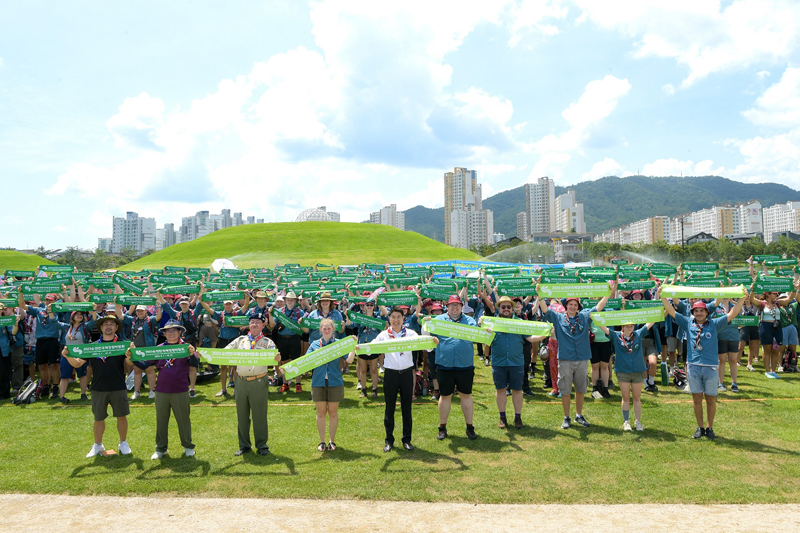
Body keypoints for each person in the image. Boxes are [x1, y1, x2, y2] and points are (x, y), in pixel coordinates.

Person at [661, 288, 747, 439]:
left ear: (707, 313)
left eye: (702, 311)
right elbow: (672, 311)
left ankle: (710, 427)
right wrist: (663, 295)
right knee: (696, 399)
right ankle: (700, 427)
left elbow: (732, 313)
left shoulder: (714, 324)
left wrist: (742, 299)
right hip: (693, 367)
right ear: (693, 313)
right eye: (696, 311)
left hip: (711, 367)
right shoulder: (688, 322)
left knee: (711, 399)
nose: (699, 313)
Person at [539, 288, 611, 429]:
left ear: (578, 307)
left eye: (575, 305)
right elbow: (546, 310)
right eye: (570, 304)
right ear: (566, 306)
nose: (572, 307)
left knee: (581, 388)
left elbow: (599, 307)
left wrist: (608, 293)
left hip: (582, 359)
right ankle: (567, 417)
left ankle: (579, 415)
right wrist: (540, 295)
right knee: (565, 389)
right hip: (565, 359)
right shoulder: (559, 317)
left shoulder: (584, 316)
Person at [62, 314, 133, 457]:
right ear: (101, 328)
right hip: (98, 387)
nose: (108, 326)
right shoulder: (92, 347)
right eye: (105, 324)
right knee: (98, 418)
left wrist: (131, 355)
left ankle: (123, 443)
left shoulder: (122, 345)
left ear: (116, 327)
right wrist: (67, 356)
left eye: (111, 324)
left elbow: (131, 364)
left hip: (118, 386)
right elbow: (77, 363)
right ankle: (98, 445)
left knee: (121, 416)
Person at [370, 306, 435, 452]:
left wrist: (431, 339)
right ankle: (389, 440)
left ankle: (407, 440)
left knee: (407, 408)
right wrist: (362, 347)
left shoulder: (411, 333)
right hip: (391, 374)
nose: (396, 320)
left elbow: (426, 346)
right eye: (393, 317)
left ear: (403, 319)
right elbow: (372, 347)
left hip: (406, 374)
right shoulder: (384, 335)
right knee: (390, 408)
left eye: (398, 317)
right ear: (389, 319)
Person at [479, 296, 546, 429]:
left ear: (512, 308)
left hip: (516, 362)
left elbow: (530, 338)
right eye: (503, 307)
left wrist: (545, 333)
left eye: (508, 307)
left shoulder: (519, 322)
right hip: (499, 362)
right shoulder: (492, 322)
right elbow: (482, 338)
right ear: (499, 308)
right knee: (501, 390)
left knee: (517, 390)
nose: (506, 309)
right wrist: (482, 325)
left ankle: (518, 417)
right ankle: (502, 417)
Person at [227, 312, 281, 456]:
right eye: (252, 322)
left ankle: (262, 445)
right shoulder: (240, 340)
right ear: (249, 325)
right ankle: (244, 445)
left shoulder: (268, 342)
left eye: (258, 322)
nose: (254, 324)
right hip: (241, 381)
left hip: (259, 381)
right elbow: (224, 353)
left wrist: (277, 358)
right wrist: (206, 355)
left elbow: (274, 357)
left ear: (263, 325)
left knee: (259, 415)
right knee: (242, 415)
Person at [429, 295, 480, 441]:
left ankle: (470, 427)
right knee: (445, 396)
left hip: (465, 365)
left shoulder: (470, 321)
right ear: (447, 307)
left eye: (457, 305)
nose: (454, 307)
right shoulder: (438, 321)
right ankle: (442, 428)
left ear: (461, 306)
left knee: (466, 395)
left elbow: (478, 337)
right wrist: (426, 323)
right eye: (452, 305)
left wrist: (486, 330)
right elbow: (428, 336)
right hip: (445, 365)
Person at [150, 319, 197, 459]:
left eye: (174, 330)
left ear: (179, 332)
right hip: (162, 390)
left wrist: (191, 354)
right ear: (164, 333)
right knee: (161, 420)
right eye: (168, 331)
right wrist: (132, 357)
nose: (171, 333)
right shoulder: (159, 348)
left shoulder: (186, 347)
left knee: (183, 420)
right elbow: (143, 364)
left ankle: (188, 446)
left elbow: (195, 364)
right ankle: (161, 448)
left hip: (180, 389)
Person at [599, 321, 656, 431]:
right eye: (627, 326)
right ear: (623, 327)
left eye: (631, 326)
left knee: (636, 398)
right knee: (625, 398)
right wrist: (595, 318)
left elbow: (650, 323)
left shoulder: (638, 334)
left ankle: (638, 422)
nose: (630, 328)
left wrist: (661, 311)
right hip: (623, 371)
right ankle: (626, 421)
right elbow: (604, 328)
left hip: (638, 371)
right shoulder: (616, 336)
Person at [309, 318, 356, 451]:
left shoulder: (339, 344)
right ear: (320, 330)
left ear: (333, 329)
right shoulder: (314, 345)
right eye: (324, 328)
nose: (327, 330)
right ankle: (322, 441)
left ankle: (332, 441)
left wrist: (353, 347)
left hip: (335, 381)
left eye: (329, 328)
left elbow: (350, 360)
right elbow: (305, 362)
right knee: (321, 413)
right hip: (318, 382)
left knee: (333, 412)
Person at [19, 292, 63, 399]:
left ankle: (55, 387)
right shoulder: (39, 310)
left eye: (51, 300)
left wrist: (63, 292)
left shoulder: (58, 310)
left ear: (55, 302)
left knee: (54, 365)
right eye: (47, 300)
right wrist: (21, 292)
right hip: (40, 341)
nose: (48, 302)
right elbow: (22, 305)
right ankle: (45, 386)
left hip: (52, 340)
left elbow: (67, 301)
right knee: (42, 365)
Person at [749, 287, 796, 378]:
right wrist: (753, 289)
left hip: (777, 327)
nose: (777, 295)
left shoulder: (777, 303)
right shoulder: (762, 303)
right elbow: (752, 299)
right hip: (765, 327)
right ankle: (767, 371)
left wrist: (794, 289)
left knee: (776, 350)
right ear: (768, 294)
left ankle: (773, 371)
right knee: (767, 350)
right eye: (774, 293)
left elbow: (789, 299)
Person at [267, 291, 306, 393]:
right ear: (285, 301)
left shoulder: (299, 312)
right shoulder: (279, 311)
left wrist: (301, 323)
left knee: (295, 361)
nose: (290, 301)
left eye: (292, 300)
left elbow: (305, 328)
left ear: (295, 301)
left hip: (294, 338)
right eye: (288, 300)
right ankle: (285, 383)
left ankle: (298, 384)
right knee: (283, 362)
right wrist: (270, 315)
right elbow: (272, 325)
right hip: (282, 338)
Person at [128, 305, 162, 400]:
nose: (139, 312)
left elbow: (158, 317)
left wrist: (158, 306)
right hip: (136, 349)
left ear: (146, 311)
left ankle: (152, 391)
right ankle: (137, 391)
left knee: (150, 370)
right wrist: (117, 303)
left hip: (148, 349)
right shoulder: (133, 320)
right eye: (138, 311)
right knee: (137, 370)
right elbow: (121, 316)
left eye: (141, 311)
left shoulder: (149, 320)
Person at [56, 311, 90, 403]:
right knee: (64, 376)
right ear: (72, 317)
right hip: (68, 353)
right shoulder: (67, 327)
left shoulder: (85, 326)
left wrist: (93, 311)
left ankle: (83, 394)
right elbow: (54, 323)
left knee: (82, 375)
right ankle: (62, 396)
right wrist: (51, 312)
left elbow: (94, 322)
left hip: (81, 353)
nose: (80, 316)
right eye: (77, 314)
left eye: (81, 315)